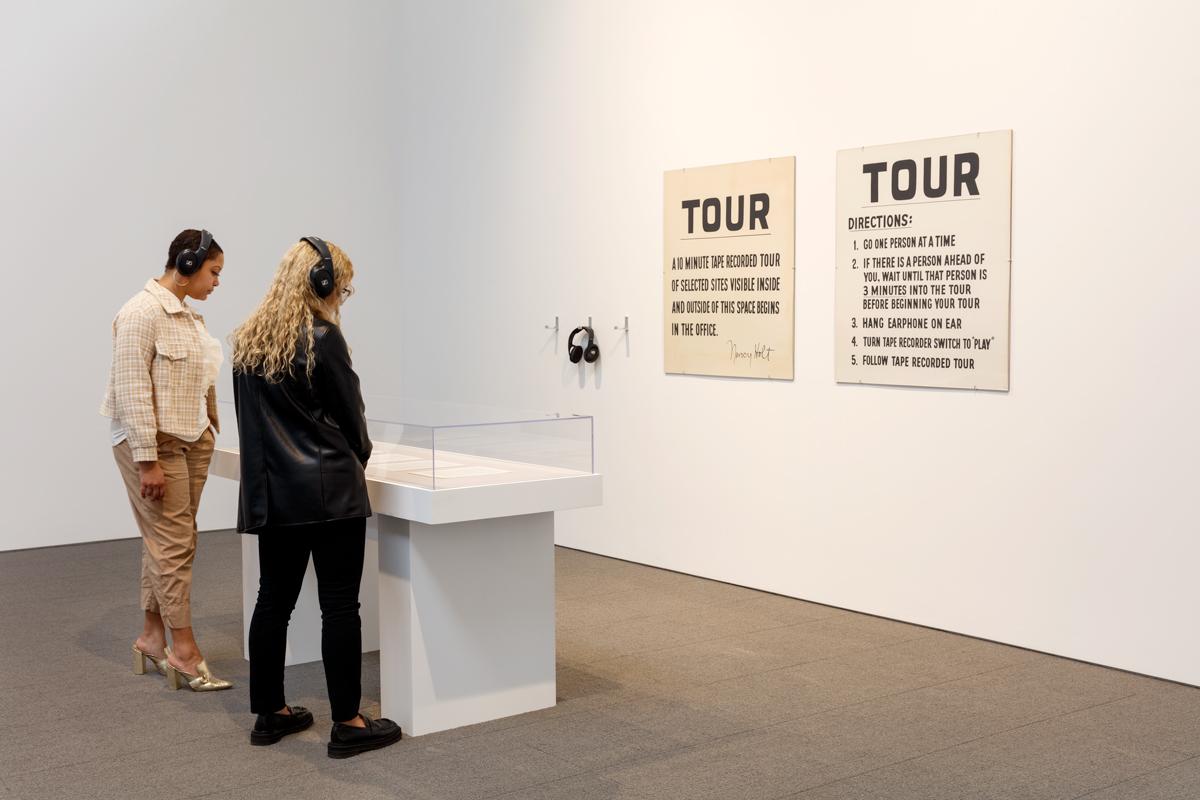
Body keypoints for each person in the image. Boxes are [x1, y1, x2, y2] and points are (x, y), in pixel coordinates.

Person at [229, 236, 401, 757]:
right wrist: (359, 457)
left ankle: (271, 714)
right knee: (339, 608)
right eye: (342, 289)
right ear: (321, 283)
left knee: (272, 603)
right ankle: (348, 722)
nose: (341, 298)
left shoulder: (246, 343)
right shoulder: (323, 338)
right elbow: (353, 418)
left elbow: (253, 431)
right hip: (330, 495)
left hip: (275, 497)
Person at [102, 228, 232, 692]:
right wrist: (146, 460)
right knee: (174, 543)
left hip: (191, 439)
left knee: (168, 540)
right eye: (214, 272)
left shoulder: (188, 317)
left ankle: (152, 638)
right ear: (190, 265)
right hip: (154, 444)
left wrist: (210, 423)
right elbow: (132, 390)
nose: (217, 282)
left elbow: (201, 375)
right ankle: (183, 650)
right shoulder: (140, 313)